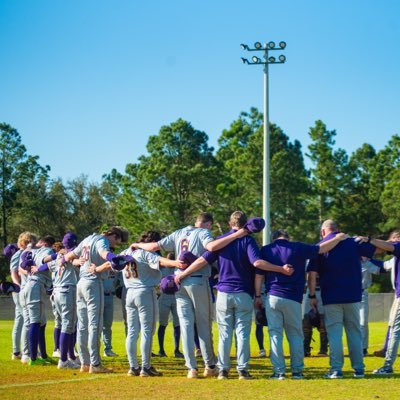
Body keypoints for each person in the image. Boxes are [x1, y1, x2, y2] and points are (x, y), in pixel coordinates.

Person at [176, 213, 295, 380]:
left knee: (224, 333)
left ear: (229, 223)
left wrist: (182, 274)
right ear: (245, 224)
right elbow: (257, 263)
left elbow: (202, 261)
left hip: (223, 293)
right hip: (243, 293)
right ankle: (242, 370)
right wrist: (281, 269)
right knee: (242, 333)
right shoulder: (248, 241)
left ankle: (223, 370)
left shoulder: (220, 241)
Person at [132, 212, 248, 379]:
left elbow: (154, 247)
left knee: (186, 326)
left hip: (179, 281)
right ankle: (210, 365)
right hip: (197, 280)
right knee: (203, 324)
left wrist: (137, 244)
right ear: (208, 223)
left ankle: (191, 368)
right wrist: (238, 234)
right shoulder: (203, 233)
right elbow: (211, 247)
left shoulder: (178, 233)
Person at [256, 228, 347, 379]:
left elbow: (259, 275)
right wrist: (338, 238)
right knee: (295, 335)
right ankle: (297, 371)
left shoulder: (266, 250)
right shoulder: (298, 247)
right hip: (293, 298)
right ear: (288, 237)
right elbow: (321, 248)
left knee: (275, 335)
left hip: (272, 296)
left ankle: (279, 372)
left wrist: (258, 295)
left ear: (273, 238)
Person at [307, 220, 376, 379]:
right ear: (338, 229)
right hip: (353, 295)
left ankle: (336, 370)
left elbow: (311, 275)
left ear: (323, 231)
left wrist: (312, 295)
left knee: (334, 334)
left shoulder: (320, 246)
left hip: (331, 296)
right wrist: (367, 239)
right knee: (354, 333)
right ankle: (359, 369)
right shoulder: (352, 242)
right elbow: (374, 250)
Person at [61, 226, 129, 373]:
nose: (115, 246)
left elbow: (69, 256)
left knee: (82, 326)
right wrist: (113, 258)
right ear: (114, 236)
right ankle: (96, 364)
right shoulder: (102, 240)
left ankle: (85, 363)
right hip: (93, 283)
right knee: (95, 325)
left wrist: (63, 260)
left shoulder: (87, 239)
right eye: (117, 242)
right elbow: (104, 253)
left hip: (81, 284)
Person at [157, 252, 184, 358]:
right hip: (165, 296)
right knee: (163, 323)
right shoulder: (161, 269)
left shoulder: (177, 269)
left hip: (176, 295)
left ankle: (176, 349)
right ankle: (161, 350)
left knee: (177, 324)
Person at [360, 256, 386, 355]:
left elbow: (380, 270)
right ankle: (355, 347)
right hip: (349, 294)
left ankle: (363, 348)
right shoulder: (349, 260)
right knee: (351, 323)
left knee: (363, 321)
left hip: (362, 293)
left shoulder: (366, 262)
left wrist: (368, 260)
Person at [5, 242, 22, 360]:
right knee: (26, 319)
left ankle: (16, 352)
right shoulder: (17, 256)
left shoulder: (14, 257)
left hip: (17, 289)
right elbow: (14, 273)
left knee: (19, 319)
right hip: (19, 289)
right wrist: (19, 286)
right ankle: (27, 352)